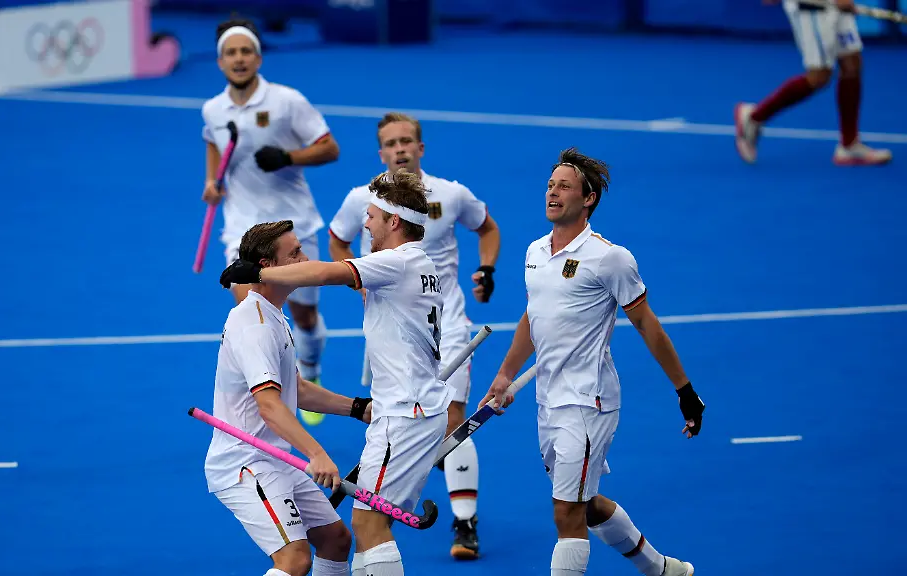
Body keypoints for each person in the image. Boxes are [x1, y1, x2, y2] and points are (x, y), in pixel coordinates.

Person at [478, 149, 704, 576]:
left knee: (566, 512)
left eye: (564, 187)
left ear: (589, 199)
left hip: (588, 402)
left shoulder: (609, 258)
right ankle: (662, 570)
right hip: (548, 399)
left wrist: (685, 390)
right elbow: (533, 316)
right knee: (585, 502)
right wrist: (505, 374)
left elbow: (647, 325)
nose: (552, 193)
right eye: (550, 185)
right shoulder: (535, 251)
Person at [220, 169, 452, 576]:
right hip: (405, 410)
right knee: (345, 536)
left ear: (393, 222)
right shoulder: (420, 263)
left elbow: (328, 273)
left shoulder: (395, 262)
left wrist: (257, 274)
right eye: (295, 252)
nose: (366, 224)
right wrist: (357, 407)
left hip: (404, 412)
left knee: (368, 526)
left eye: (372, 216)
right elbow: (287, 394)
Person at [327, 112, 501, 560]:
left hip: (447, 325)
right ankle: (395, 491)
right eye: (391, 143)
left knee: (452, 418)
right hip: (395, 332)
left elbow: (487, 227)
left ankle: (464, 522)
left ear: (420, 148)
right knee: (398, 413)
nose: (400, 149)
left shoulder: (451, 194)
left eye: (407, 141)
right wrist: (360, 285)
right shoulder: (361, 198)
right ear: (381, 152)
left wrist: (486, 269)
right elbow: (337, 240)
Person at [203, 220, 374, 576]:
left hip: (275, 459)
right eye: (295, 253)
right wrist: (317, 453)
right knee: (294, 560)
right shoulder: (256, 326)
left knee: (335, 540)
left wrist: (359, 409)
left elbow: (297, 389)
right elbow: (269, 406)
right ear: (268, 267)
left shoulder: (273, 313)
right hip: (246, 466)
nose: (305, 258)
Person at [201, 18, 341, 426]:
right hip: (242, 230)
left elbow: (329, 148)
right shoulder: (213, 109)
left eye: (246, 51)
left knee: (304, 318)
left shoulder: (287, 101)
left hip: (295, 229)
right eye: (231, 53)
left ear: (258, 58)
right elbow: (214, 142)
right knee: (254, 315)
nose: (239, 59)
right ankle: (275, 395)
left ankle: (309, 368)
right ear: (220, 61)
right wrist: (212, 182)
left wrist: (289, 157)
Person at [734, 0, 891, 165]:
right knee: (819, 76)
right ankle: (754, 118)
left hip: (835, 6)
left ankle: (849, 145)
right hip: (813, 7)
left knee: (852, 64)